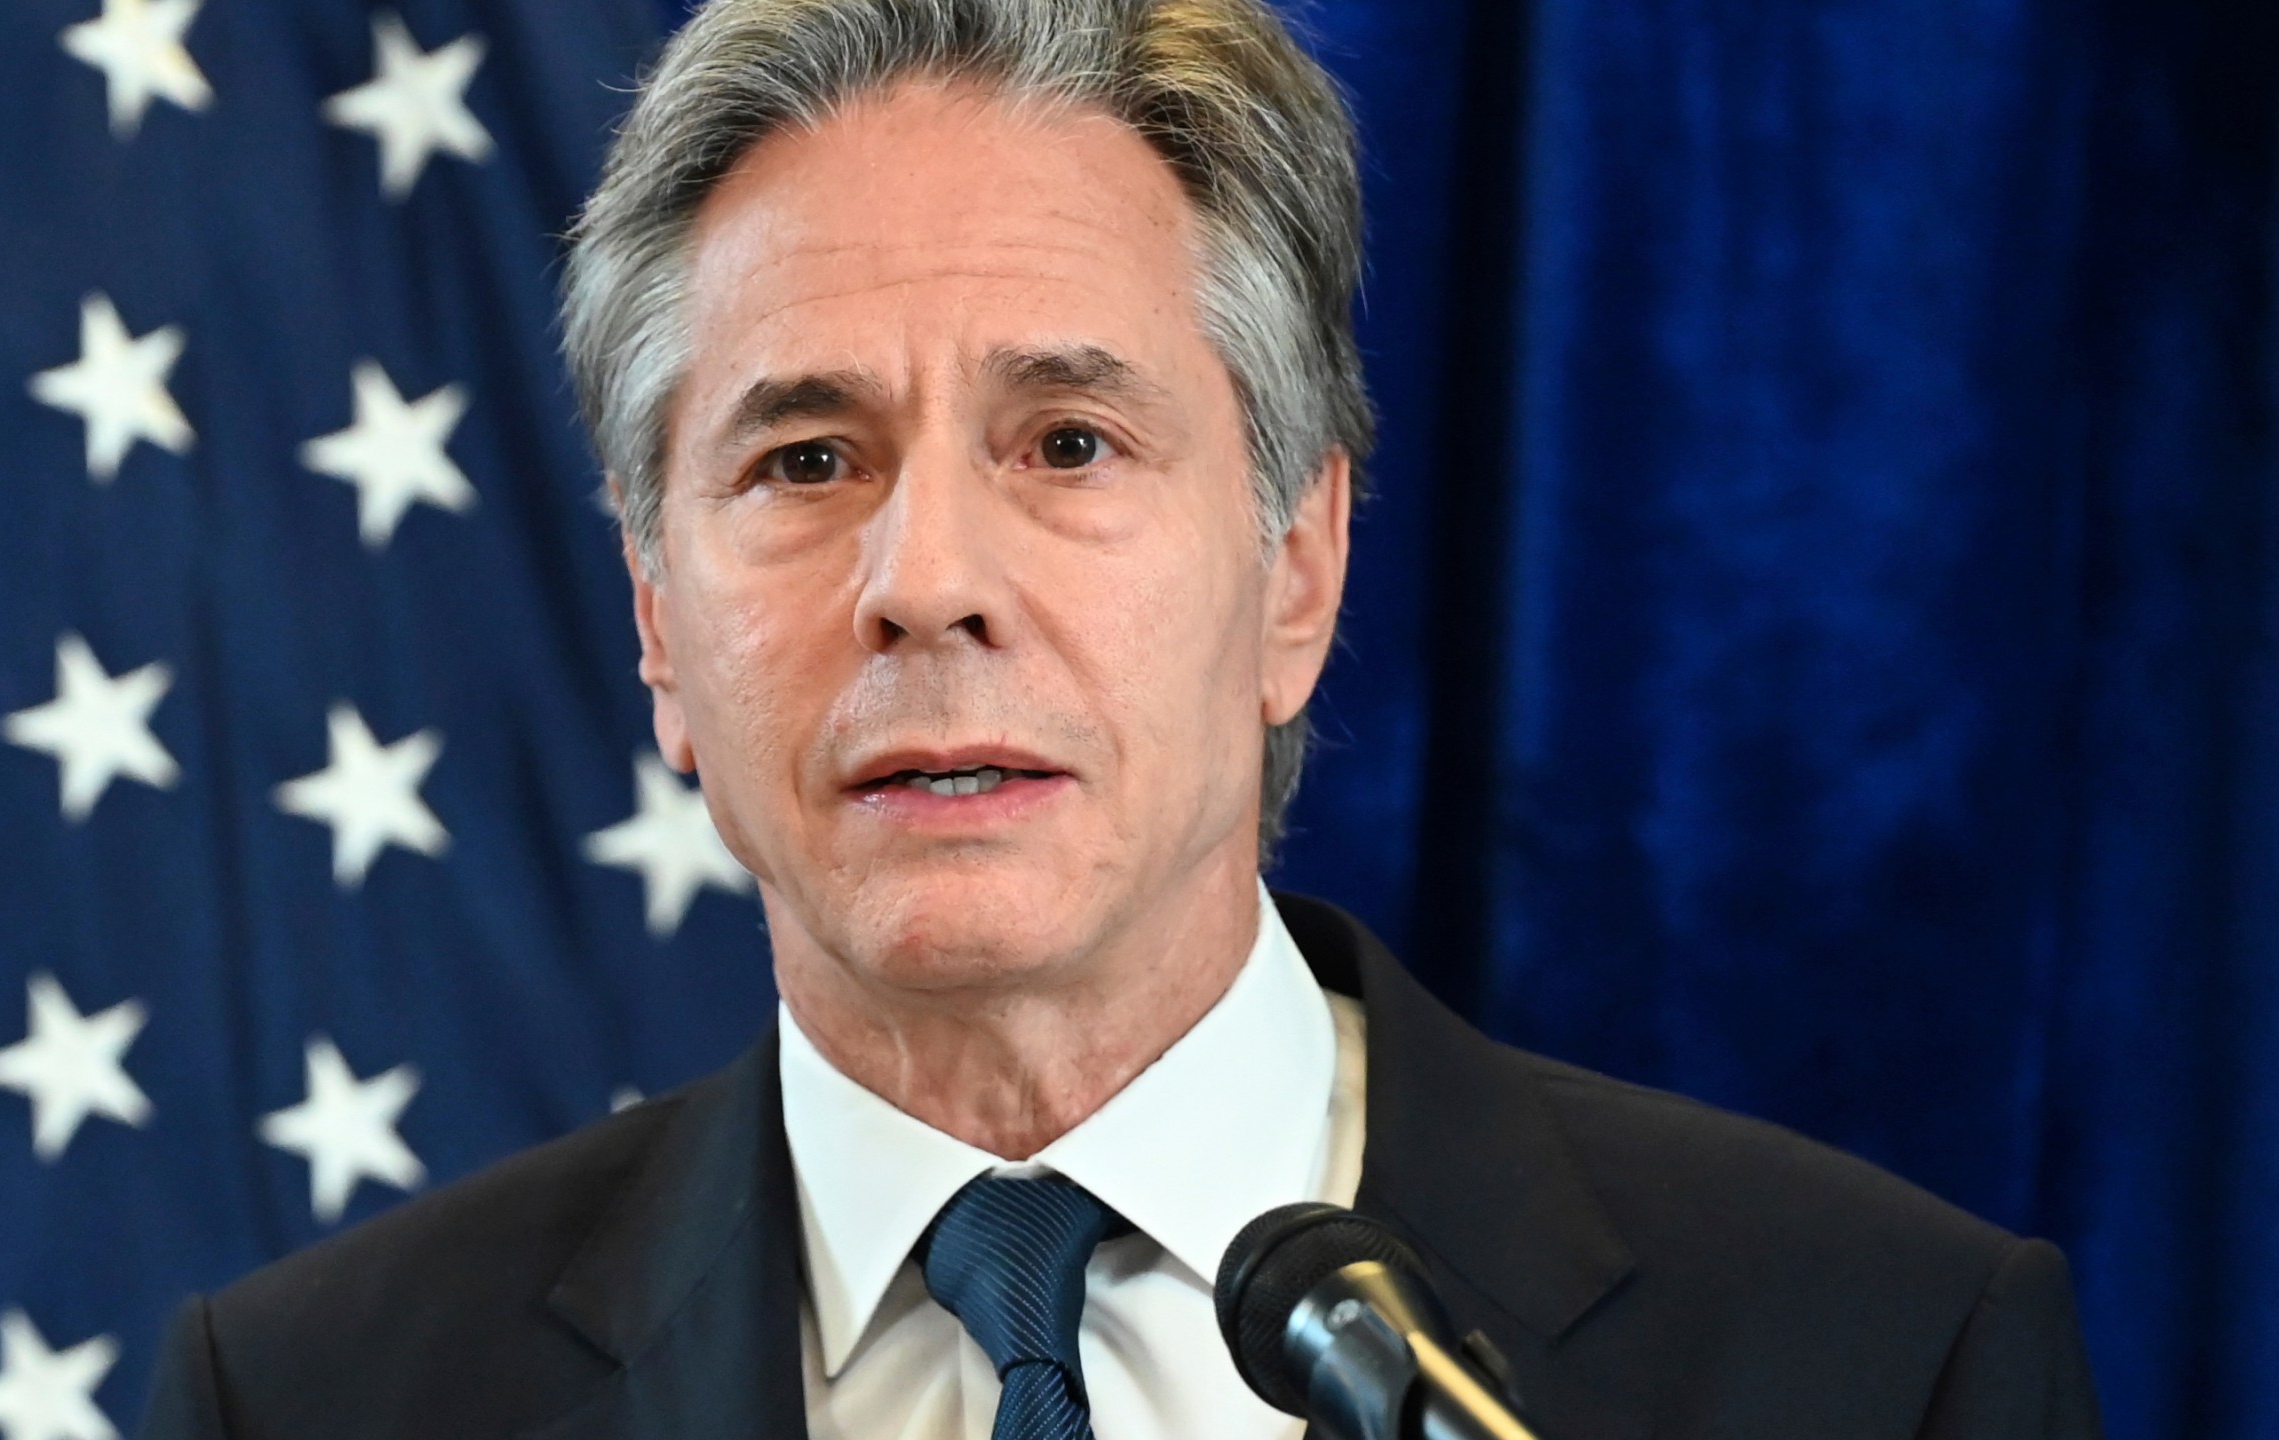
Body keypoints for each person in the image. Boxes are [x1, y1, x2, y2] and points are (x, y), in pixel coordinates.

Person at [137, 1, 2105, 1436]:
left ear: (1296, 571)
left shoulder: (1870, 1359)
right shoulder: (320, 1398)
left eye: (1066, 441)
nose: (922, 578)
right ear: (660, 630)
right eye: (803, 457)